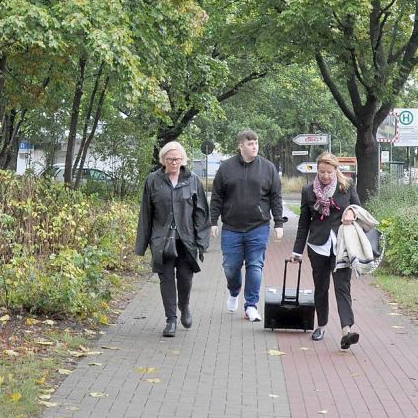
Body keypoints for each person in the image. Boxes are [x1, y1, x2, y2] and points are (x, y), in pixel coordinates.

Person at [135, 141, 210, 337]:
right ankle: (171, 320)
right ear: (163, 160)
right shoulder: (153, 181)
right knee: (166, 279)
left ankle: (184, 306)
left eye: (177, 159)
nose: (174, 162)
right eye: (169, 159)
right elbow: (146, 213)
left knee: (185, 278)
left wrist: (201, 242)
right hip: (161, 240)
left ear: (183, 160)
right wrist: (141, 245)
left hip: (186, 240)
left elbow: (201, 213)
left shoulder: (192, 180)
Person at [210, 130, 285, 322]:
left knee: (255, 265)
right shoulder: (226, 168)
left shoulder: (268, 168)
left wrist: (278, 222)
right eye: (250, 143)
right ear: (241, 146)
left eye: (256, 143)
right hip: (231, 227)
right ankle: (234, 291)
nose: (254, 146)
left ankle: (251, 305)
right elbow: (217, 196)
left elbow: (276, 196)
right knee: (230, 266)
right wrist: (213, 222)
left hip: (258, 226)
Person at [290, 152, 360, 348]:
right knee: (321, 288)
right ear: (317, 170)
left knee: (342, 286)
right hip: (317, 246)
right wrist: (297, 250)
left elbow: (358, 207)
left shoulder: (346, 186)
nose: (326, 176)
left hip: (342, 245)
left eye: (329, 172)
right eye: (322, 172)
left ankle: (347, 330)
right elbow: (303, 223)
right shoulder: (308, 191)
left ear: (336, 170)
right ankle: (320, 326)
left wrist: (352, 212)